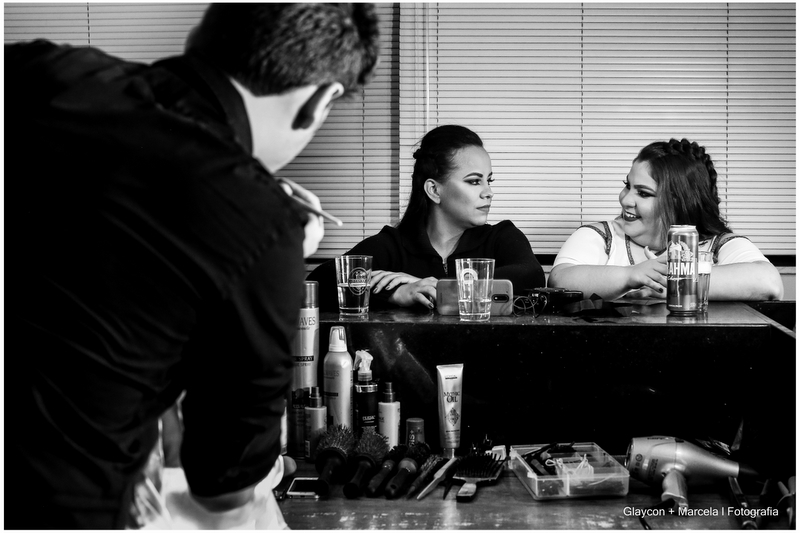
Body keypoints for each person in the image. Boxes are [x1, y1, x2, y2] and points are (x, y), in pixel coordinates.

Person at [4, 3, 379, 529]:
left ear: (204, 34)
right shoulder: (263, 226)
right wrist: (272, 252)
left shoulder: (36, 71)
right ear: (321, 100)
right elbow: (222, 490)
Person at [308, 124, 545, 311]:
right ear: (434, 190)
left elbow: (530, 276)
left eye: (488, 180)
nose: (488, 192)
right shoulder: (393, 245)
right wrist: (396, 293)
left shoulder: (500, 238)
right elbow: (320, 282)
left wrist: (434, 285)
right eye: (474, 181)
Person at [549, 138, 783, 302]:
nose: (625, 199)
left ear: (678, 202)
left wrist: (672, 284)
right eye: (627, 186)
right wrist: (632, 275)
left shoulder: (716, 245)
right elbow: (559, 279)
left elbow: (768, 282)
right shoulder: (602, 236)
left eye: (643, 193)